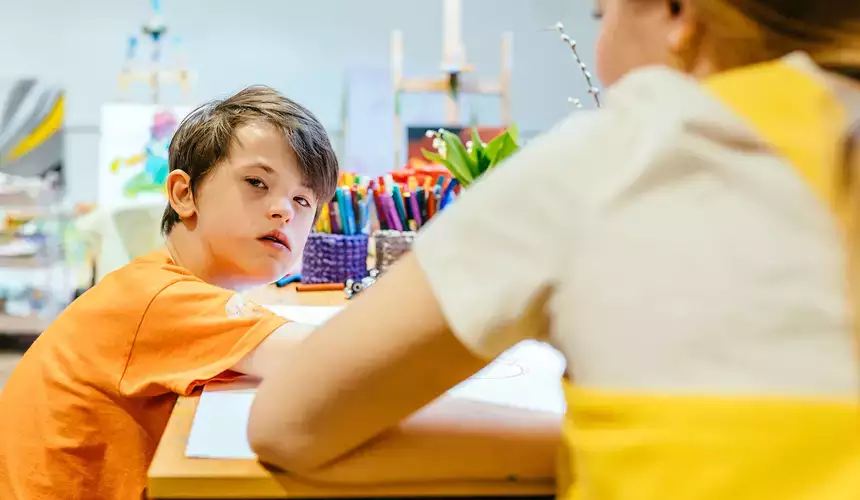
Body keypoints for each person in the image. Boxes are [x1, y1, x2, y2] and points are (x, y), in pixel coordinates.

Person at [247, 1, 860, 498]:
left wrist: (585, 441)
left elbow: (287, 424)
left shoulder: (618, 155)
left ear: (678, 14)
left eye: (600, 15)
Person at [0, 85, 339, 500]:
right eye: (256, 182)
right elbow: (330, 359)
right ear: (183, 193)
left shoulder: (167, 285)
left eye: (304, 200)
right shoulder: (158, 298)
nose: (284, 209)